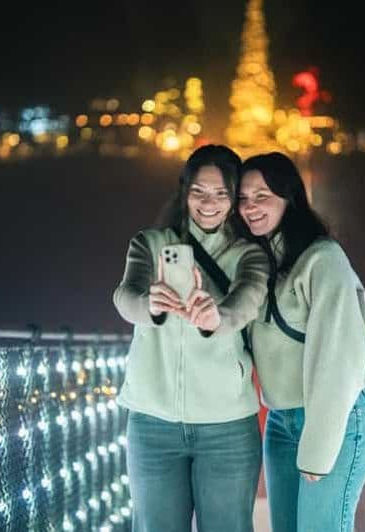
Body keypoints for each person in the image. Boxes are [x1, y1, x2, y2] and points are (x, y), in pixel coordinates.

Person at [113, 144, 269, 532]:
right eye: (199, 191)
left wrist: (217, 316)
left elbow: (248, 300)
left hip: (227, 428)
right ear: (184, 192)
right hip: (152, 424)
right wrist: (150, 305)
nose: (208, 203)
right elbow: (124, 297)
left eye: (221, 193)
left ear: (234, 200)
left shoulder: (248, 255)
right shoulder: (149, 243)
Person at [235, 152, 365, 532]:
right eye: (243, 198)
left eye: (262, 196)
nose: (250, 207)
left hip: (338, 416)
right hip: (282, 422)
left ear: (290, 198)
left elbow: (341, 358)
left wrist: (318, 448)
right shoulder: (258, 265)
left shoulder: (322, 259)